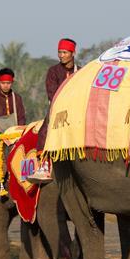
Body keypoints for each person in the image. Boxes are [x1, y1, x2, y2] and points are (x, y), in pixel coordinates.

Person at [32, 38, 79, 182]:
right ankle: (44, 166)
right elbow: (52, 94)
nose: (61, 55)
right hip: (58, 109)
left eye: (64, 52)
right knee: (44, 130)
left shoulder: (81, 71)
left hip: (77, 108)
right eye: (59, 52)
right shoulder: (53, 71)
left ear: (73, 53)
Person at [0, 68, 27, 192]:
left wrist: (20, 131)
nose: (6, 85)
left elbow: (22, 116)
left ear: (12, 83)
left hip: (14, 131)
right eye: (3, 83)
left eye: (8, 83)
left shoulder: (17, 98)